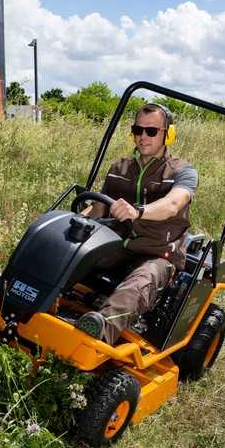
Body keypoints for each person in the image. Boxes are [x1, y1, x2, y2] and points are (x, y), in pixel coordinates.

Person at [75, 103, 198, 344]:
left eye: (151, 131)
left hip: (158, 254)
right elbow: (99, 208)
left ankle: (95, 337)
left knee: (137, 285)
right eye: (137, 129)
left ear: (168, 134)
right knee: (71, 250)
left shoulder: (183, 171)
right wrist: (75, 221)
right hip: (117, 244)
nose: (143, 136)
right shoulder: (119, 168)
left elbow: (173, 204)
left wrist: (138, 211)